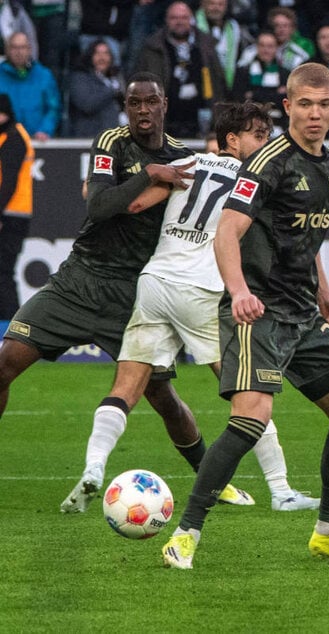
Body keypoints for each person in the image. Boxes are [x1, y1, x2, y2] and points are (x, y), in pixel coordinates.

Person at [161, 63, 329, 570]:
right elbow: (227, 232)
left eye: (323, 105)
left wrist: (325, 294)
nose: (314, 114)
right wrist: (238, 291)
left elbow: (306, 239)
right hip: (258, 310)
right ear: (288, 107)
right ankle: (185, 534)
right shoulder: (266, 162)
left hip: (303, 313)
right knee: (250, 418)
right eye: (304, 104)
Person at [60, 101, 319, 514]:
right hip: (201, 292)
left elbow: (132, 205)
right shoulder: (259, 180)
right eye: (258, 135)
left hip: (155, 283)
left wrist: (96, 190)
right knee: (249, 392)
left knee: (126, 386)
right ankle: (282, 490)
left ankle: (94, 466)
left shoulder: (184, 164)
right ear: (232, 139)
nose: (266, 143)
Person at [0, 74, 201, 494]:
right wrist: (150, 174)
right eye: (134, 103)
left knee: (163, 399)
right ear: (125, 107)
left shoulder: (184, 158)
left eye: (151, 102)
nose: (143, 110)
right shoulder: (111, 142)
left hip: (134, 294)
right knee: (5, 363)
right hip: (79, 279)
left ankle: (211, 478)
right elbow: (99, 205)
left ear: (164, 104)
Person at [136, 1, 228, 139]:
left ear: (191, 20)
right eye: (174, 18)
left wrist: (218, 121)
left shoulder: (206, 44)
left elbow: (218, 83)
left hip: (202, 121)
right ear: (166, 20)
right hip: (165, 123)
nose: (179, 22)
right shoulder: (152, 47)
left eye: (184, 17)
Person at [0, 93, 32, 319]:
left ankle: (9, 326)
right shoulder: (7, 135)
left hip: (11, 214)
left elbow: (9, 182)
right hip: (10, 212)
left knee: (3, 271)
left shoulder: (13, 137)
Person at [0, 32, 60, 140]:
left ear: (29, 50)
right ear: (7, 50)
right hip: (4, 141)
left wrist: (45, 130)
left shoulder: (44, 75)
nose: (19, 52)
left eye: (23, 47)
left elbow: (53, 108)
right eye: (14, 47)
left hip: (37, 141)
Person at [231, 31, 290, 135]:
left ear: (276, 48)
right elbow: (239, 100)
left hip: (278, 127)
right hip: (247, 126)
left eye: (270, 46)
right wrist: (275, 93)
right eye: (262, 46)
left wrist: (253, 94)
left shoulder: (285, 74)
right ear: (257, 47)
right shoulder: (243, 72)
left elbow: (285, 102)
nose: (266, 50)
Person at [67, 40, 125, 138]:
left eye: (106, 53)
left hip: (114, 137)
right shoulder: (79, 78)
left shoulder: (116, 78)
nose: (102, 58)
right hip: (89, 138)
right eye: (97, 53)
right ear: (90, 56)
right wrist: (112, 90)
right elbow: (87, 104)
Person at [195, 0, 254, 92]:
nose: (216, 8)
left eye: (220, 4)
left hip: (226, 84)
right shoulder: (193, 24)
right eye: (212, 3)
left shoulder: (234, 27)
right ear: (203, 4)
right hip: (200, 83)